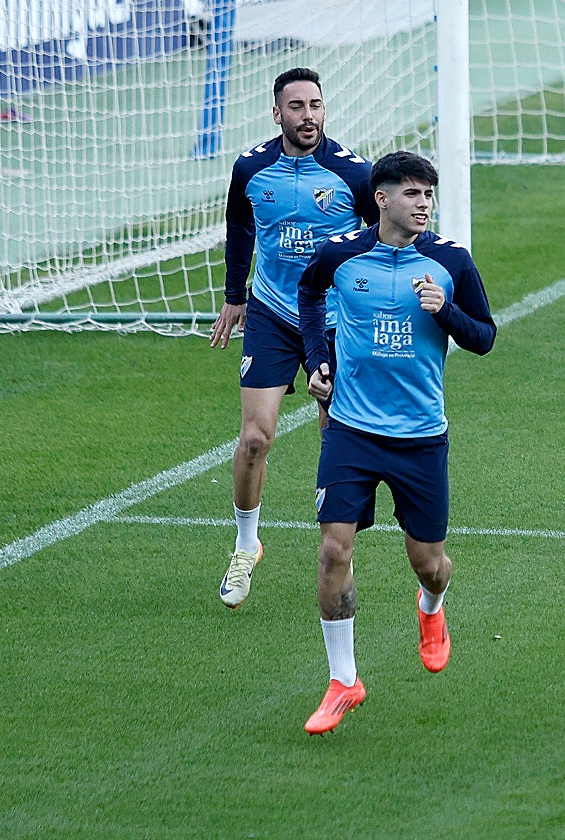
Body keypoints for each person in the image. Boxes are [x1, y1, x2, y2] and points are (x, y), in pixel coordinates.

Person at [296, 151, 496, 735]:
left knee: (429, 564)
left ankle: (431, 607)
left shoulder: (450, 261)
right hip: (351, 430)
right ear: (381, 198)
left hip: (420, 437)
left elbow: (484, 338)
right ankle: (343, 680)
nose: (424, 203)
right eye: (412, 193)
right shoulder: (341, 255)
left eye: (428, 194)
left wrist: (448, 310)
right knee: (334, 551)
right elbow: (309, 299)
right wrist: (319, 361)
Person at [209, 67, 379, 609]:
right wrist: (236, 294)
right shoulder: (252, 169)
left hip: (334, 321)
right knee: (255, 438)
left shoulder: (354, 174)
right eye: (298, 106)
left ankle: (338, 552)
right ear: (276, 113)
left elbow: (385, 238)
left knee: (338, 434)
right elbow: (239, 228)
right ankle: (245, 545)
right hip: (273, 312)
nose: (309, 115)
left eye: (317, 105)